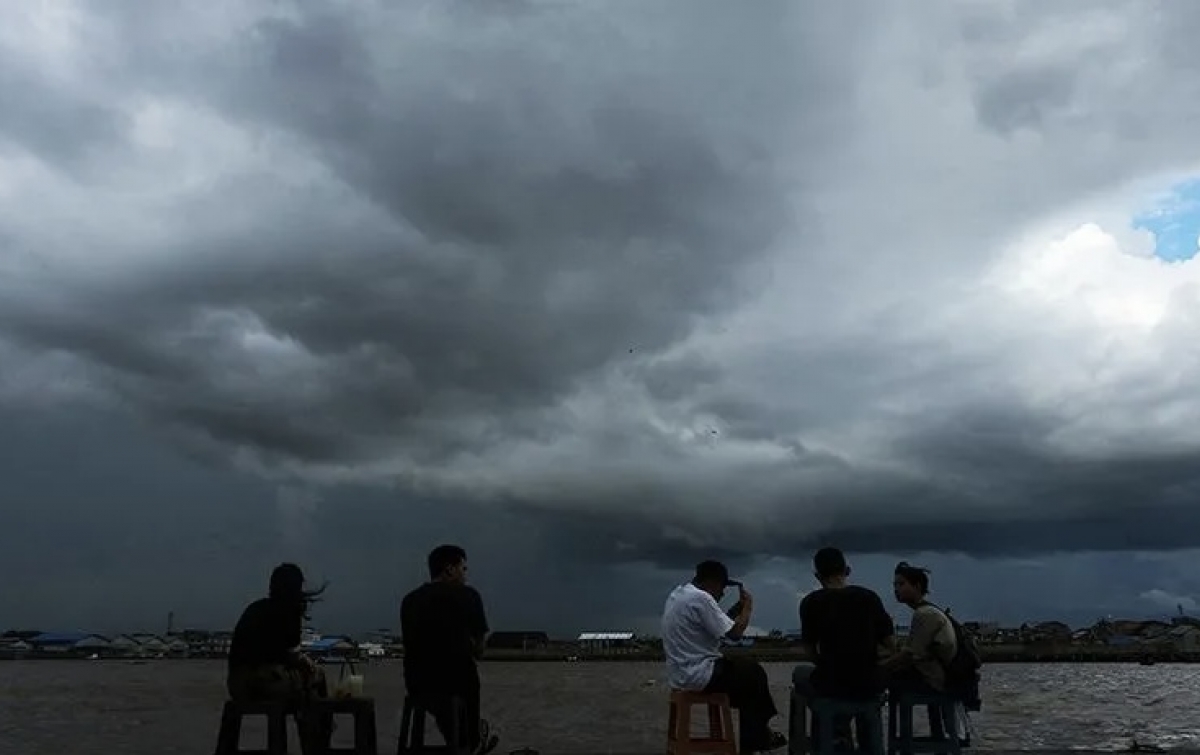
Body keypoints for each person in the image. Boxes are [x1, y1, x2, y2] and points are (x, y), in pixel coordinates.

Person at [661, 560, 786, 753]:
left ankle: (761, 735)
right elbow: (734, 634)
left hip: (680, 675)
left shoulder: (680, 595)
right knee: (754, 674)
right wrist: (747, 609)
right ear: (713, 583)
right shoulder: (702, 598)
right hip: (699, 674)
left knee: (748, 684)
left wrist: (736, 609)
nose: (723, 593)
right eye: (722, 587)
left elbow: (718, 626)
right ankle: (755, 743)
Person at [400, 544, 499, 755]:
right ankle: (472, 741)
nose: (466, 575)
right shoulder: (469, 596)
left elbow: (411, 644)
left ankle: (464, 738)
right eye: (463, 569)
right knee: (464, 680)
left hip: (417, 684)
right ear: (449, 569)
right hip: (457, 683)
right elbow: (479, 650)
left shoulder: (409, 600)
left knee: (444, 706)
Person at [792, 547, 895, 748]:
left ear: (817, 575)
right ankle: (866, 744)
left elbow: (810, 650)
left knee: (801, 674)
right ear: (847, 570)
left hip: (830, 683)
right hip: (867, 684)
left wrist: (825, 663)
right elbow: (891, 644)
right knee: (866, 689)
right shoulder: (869, 598)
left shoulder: (810, 602)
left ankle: (831, 739)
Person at [226, 563, 330, 747]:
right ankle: (317, 742)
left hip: (237, 685)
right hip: (262, 682)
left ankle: (313, 732)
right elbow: (291, 656)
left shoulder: (256, 608)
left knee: (304, 691)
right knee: (313, 684)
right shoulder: (289, 612)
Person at [883, 561, 958, 739]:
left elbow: (909, 655)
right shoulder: (929, 611)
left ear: (917, 586)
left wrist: (879, 668)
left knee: (876, 684)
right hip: (938, 677)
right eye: (895, 585)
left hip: (934, 680)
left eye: (901, 584)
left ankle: (897, 743)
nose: (896, 589)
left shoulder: (924, 614)